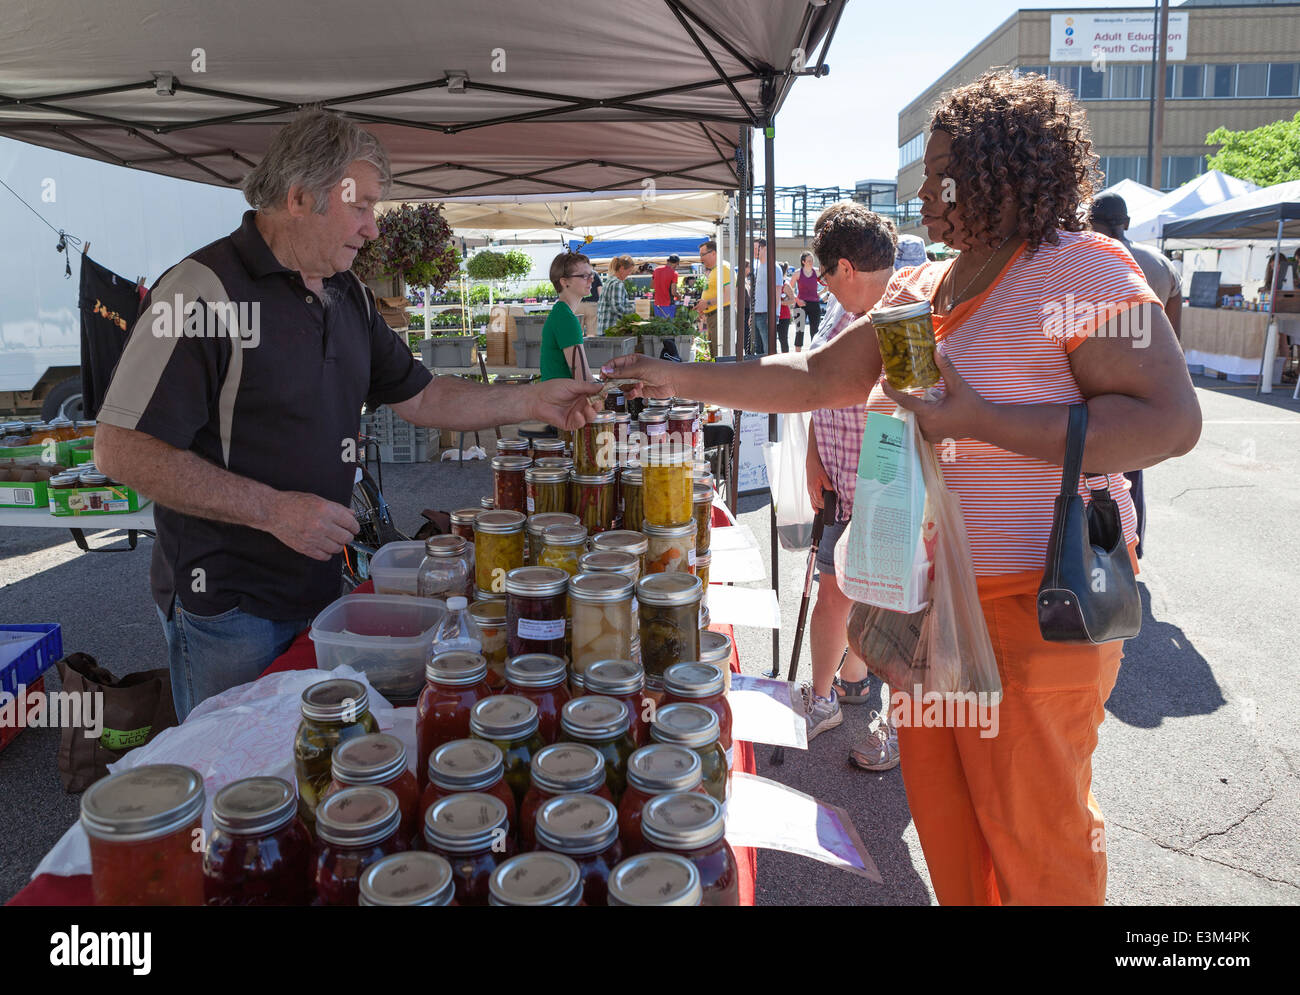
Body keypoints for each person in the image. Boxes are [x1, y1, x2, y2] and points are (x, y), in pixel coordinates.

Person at [604, 70, 1200, 905]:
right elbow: (813, 377)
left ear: (996, 173)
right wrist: (677, 376)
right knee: (952, 830)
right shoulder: (923, 291)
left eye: (941, 167)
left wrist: (978, 418)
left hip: (1036, 606)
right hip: (926, 612)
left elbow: (1171, 422)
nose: (923, 185)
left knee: (1037, 840)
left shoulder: (1082, 275)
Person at [93, 109, 602, 721]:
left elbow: (422, 396)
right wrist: (273, 510)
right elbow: (120, 448)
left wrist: (530, 399)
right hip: (227, 604)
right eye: (361, 206)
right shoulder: (201, 291)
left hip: (317, 587)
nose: (372, 229)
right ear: (300, 195)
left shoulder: (348, 294)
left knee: (302, 768)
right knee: (235, 779)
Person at [798, 203, 901, 773]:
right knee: (842, 595)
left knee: (896, 612)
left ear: (844, 267)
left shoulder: (902, 317)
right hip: (844, 487)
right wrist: (815, 456)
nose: (820, 283)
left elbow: (920, 420)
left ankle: (892, 723)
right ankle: (839, 689)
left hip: (891, 498)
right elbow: (818, 389)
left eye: (822, 272)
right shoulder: (841, 312)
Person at [1088, 191, 1184, 560]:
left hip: (1102, 376)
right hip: (1148, 376)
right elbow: (1174, 326)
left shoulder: (1091, 258)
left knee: (1099, 470)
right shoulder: (1159, 262)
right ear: (1126, 222)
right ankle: (1131, 544)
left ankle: (1101, 548)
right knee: (1135, 467)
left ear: (1090, 222)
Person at [541, 251, 599, 382]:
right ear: (564, 281)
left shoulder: (561, 312)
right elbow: (583, 380)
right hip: (561, 399)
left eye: (591, 274)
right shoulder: (566, 318)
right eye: (584, 276)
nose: (592, 279)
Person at [697, 239, 731, 356]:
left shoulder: (724, 268)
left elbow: (729, 295)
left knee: (722, 355)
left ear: (713, 253)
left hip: (722, 315)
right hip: (715, 316)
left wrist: (707, 303)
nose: (701, 258)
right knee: (716, 354)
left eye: (703, 254)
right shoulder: (716, 270)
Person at [596, 254, 637, 334]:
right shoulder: (617, 284)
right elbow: (618, 308)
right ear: (622, 269)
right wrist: (635, 308)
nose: (629, 274)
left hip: (605, 329)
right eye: (629, 271)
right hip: (612, 330)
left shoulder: (610, 281)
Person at [792, 251, 823, 343]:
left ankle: (814, 355)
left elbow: (827, 282)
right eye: (809, 260)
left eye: (812, 260)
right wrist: (797, 300)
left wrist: (821, 293)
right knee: (799, 331)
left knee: (815, 331)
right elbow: (789, 289)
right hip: (800, 305)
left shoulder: (817, 272)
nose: (811, 262)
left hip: (814, 304)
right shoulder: (797, 273)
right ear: (803, 262)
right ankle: (797, 356)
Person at [751, 238, 770, 355]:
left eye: (756, 248)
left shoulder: (772, 267)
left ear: (764, 249)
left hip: (765, 314)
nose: (754, 251)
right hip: (756, 313)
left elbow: (776, 294)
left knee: (768, 348)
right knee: (758, 349)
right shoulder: (757, 267)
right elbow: (755, 292)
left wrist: (773, 314)